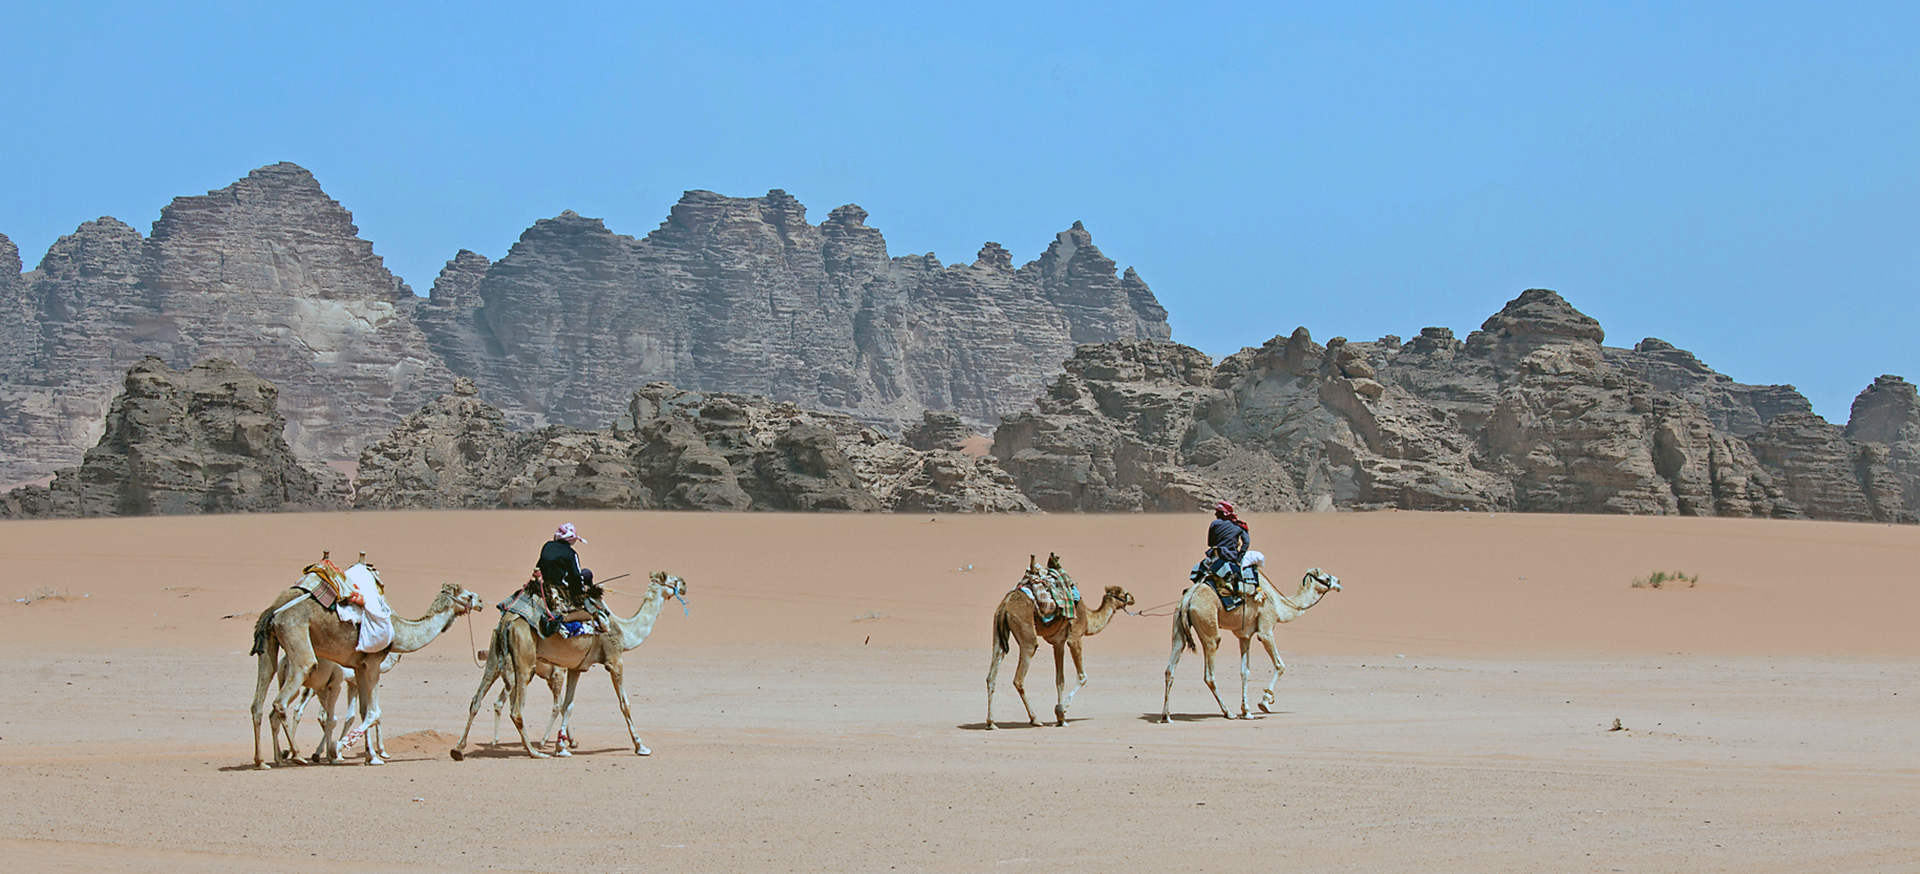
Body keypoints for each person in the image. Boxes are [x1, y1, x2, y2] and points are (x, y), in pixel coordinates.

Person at [536, 523, 605, 621]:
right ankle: (594, 608)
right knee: (587, 573)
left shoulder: (547, 545)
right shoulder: (571, 554)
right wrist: (582, 590)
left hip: (544, 583)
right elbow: (576, 575)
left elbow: (539, 565)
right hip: (560, 586)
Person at [1205, 500, 1252, 595]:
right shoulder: (1239, 526)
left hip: (1214, 556)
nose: (1215, 514)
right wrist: (1239, 557)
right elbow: (1246, 543)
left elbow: (1210, 543)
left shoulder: (1214, 524)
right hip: (1231, 557)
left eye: (1217, 512)